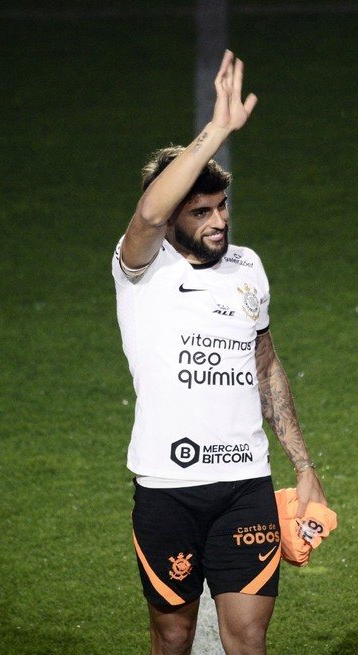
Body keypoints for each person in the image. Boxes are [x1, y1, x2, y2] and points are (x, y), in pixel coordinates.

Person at [111, 50, 327, 655]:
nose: (217, 221)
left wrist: (304, 467)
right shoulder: (139, 269)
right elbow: (150, 209)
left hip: (244, 485)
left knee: (249, 638)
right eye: (201, 210)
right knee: (172, 635)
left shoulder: (247, 268)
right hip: (167, 488)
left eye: (221, 207)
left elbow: (265, 364)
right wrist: (218, 131)